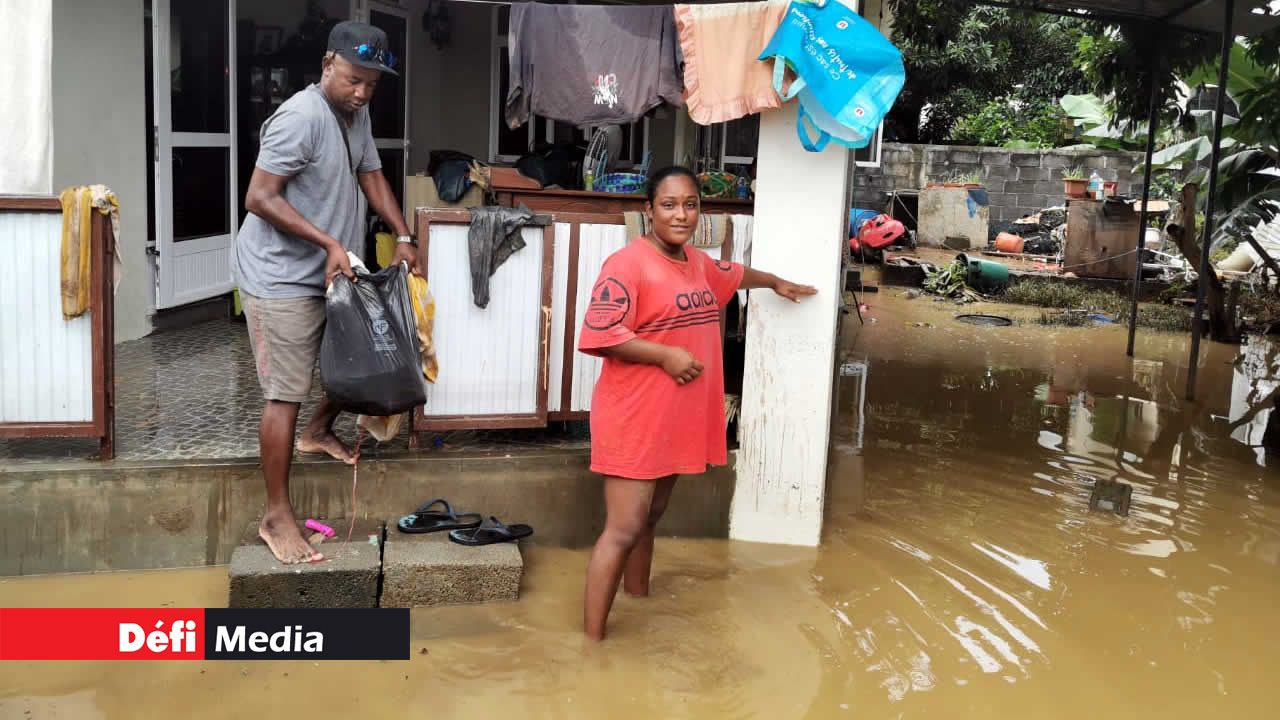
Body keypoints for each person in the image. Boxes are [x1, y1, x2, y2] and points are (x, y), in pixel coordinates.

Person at [577, 166, 818, 640]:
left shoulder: (697, 263)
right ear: (648, 210)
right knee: (624, 528)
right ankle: (592, 646)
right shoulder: (627, 264)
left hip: (673, 418)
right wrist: (665, 355)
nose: (681, 214)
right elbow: (599, 332)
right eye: (669, 204)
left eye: (690, 204)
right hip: (635, 416)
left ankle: (638, 597)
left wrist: (775, 282)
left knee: (650, 518)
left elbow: (736, 273)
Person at [231, 21, 419, 565]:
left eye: (371, 85)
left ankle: (318, 430)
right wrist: (329, 241)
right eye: (353, 80)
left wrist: (402, 234)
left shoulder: (354, 115)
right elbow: (259, 197)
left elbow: (372, 175)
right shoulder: (299, 117)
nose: (361, 93)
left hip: (330, 270)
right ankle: (276, 515)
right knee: (284, 393)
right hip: (280, 277)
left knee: (367, 357)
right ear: (328, 63)